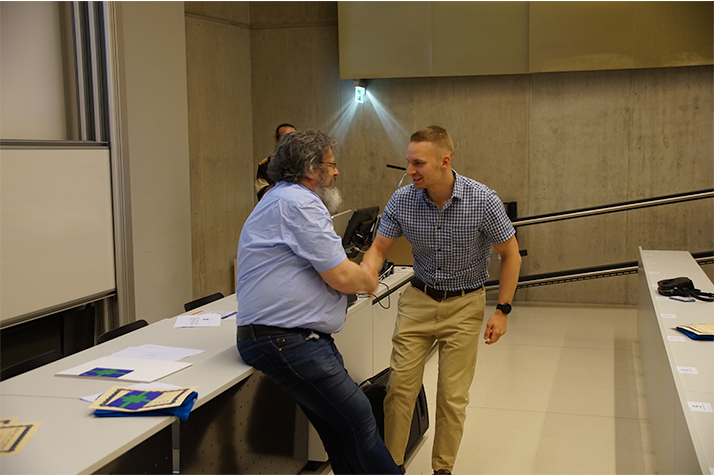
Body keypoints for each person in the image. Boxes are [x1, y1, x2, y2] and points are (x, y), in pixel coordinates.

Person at [235, 129, 403, 475]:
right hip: (286, 340)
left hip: (292, 338)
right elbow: (341, 276)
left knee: (342, 428)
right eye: (331, 164)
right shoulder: (299, 202)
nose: (336, 172)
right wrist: (370, 269)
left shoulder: (281, 198)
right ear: (312, 169)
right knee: (358, 419)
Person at [362, 125, 522, 475]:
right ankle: (394, 467)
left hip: (465, 305)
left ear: (444, 161)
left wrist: (503, 311)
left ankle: (442, 470)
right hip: (418, 300)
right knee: (399, 390)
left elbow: (511, 255)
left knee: (452, 398)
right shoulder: (403, 200)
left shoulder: (483, 201)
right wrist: (367, 273)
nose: (410, 171)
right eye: (408, 162)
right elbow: (378, 247)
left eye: (418, 163)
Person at [255, 123, 296, 200]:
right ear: (277, 140)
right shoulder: (265, 164)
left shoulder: (305, 163)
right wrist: (281, 182)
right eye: (285, 138)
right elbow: (262, 195)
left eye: (293, 138)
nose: (290, 142)